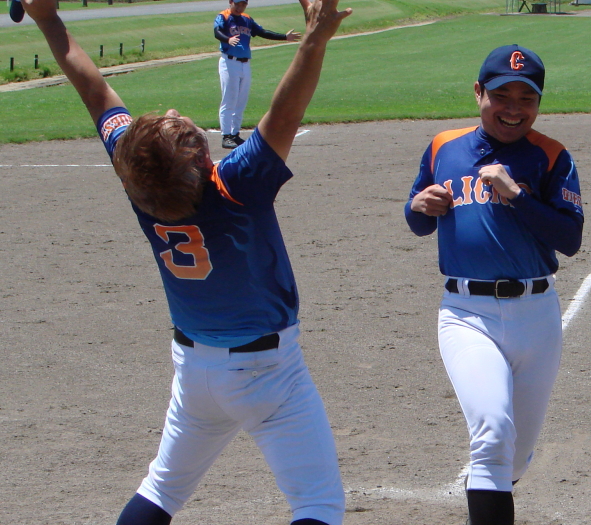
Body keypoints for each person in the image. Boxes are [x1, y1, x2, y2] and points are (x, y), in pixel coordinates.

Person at [21, 0, 352, 523]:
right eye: (178, 127)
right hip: (268, 373)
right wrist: (314, 39)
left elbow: (94, 89)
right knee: (318, 504)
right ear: (202, 158)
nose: (174, 111)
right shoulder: (233, 186)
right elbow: (285, 113)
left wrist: (46, 19)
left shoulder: (137, 180)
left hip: (194, 372)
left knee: (161, 490)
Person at [405, 44, 584, 525]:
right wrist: (416, 207)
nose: (513, 109)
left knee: (514, 458)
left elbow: (569, 239)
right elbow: (418, 218)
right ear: (478, 92)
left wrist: (517, 195)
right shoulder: (444, 146)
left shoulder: (551, 156)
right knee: (492, 433)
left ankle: (492, 483)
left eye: (527, 99)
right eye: (501, 95)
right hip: (467, 314)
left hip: (536, 317)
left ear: (539, 102)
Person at [215, 0, 301, 149]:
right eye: (237, 4)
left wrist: (284, 37)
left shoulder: (247, 19)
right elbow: (217, 32)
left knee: (241, 101)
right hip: (229, 62)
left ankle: (234, 134)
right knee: (229, 99)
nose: (240, 7)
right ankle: (226, 136)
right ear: (230, 2)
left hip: (245, 64)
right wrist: (227, 39)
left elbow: (262, 32)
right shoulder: (223, 16)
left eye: (243, 4)